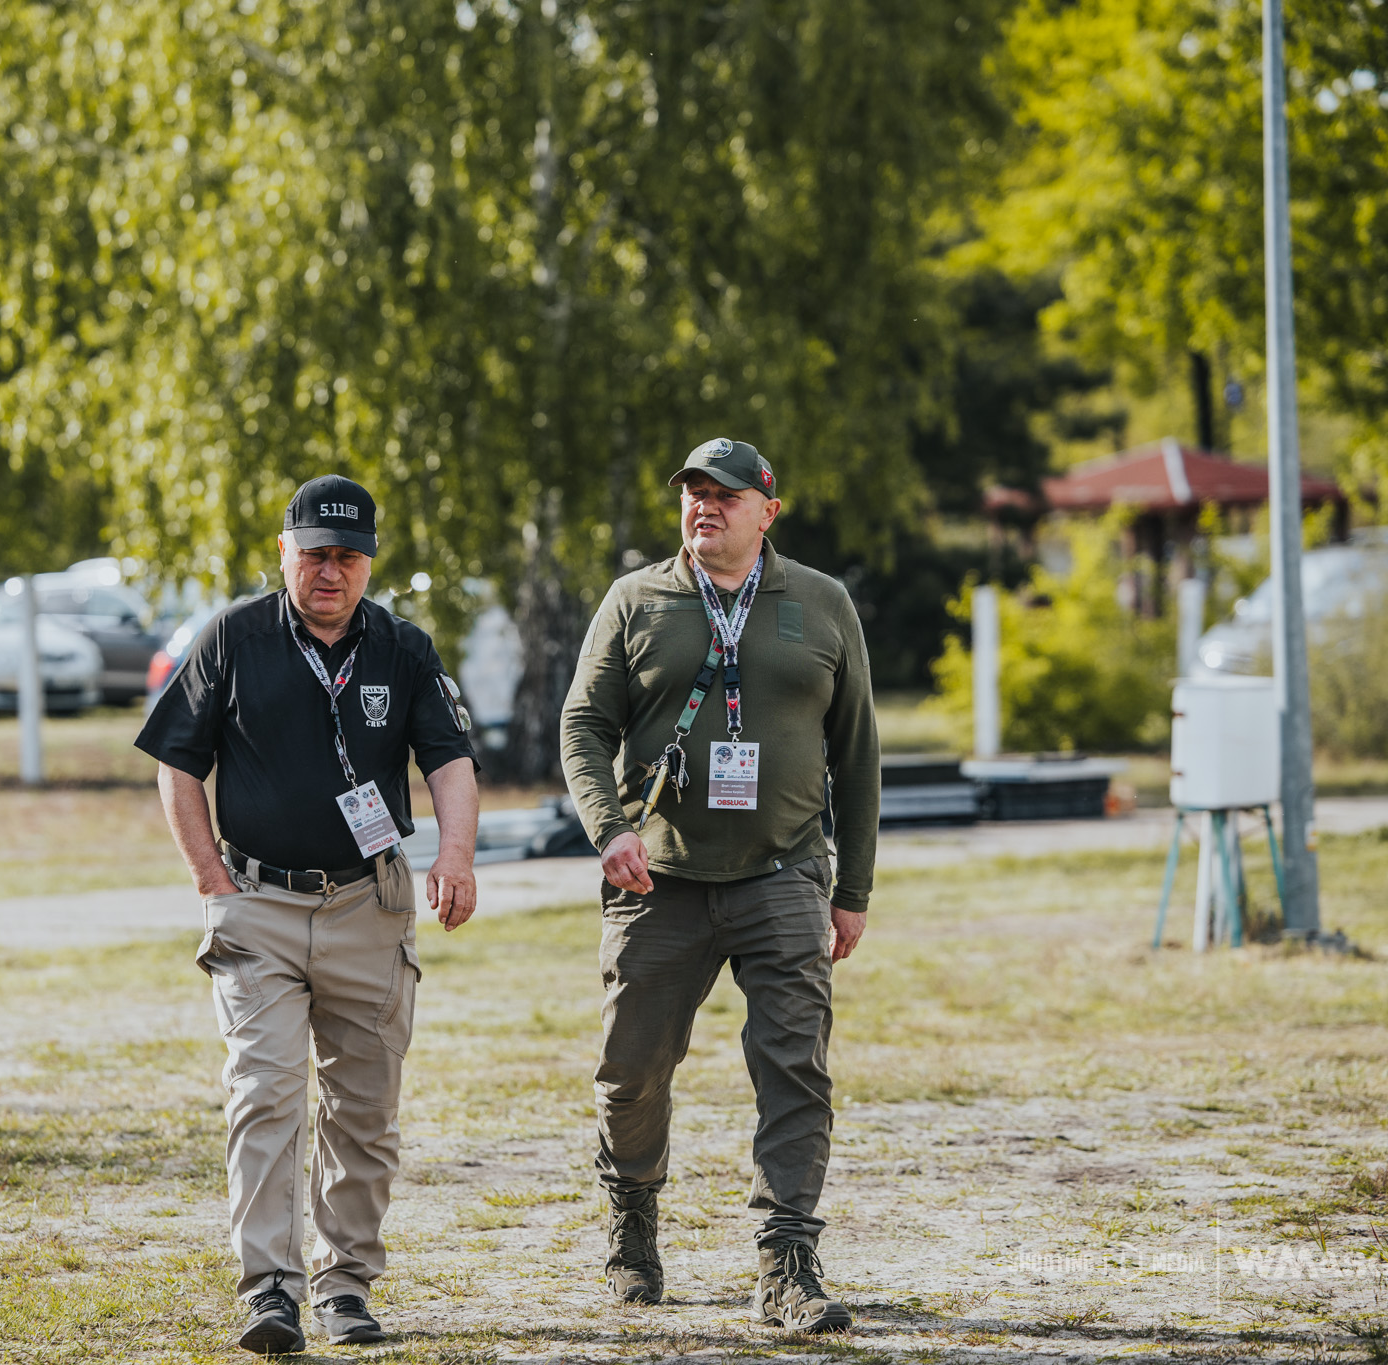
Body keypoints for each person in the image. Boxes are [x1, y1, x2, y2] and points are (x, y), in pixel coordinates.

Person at [136, 475, 480, 1355]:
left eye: (348, 555)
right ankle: (270, 1291)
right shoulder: (234, 638)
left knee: (365, 1107)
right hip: (258, 906)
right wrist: (210, 875)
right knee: (266, 1092)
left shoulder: (403, 647)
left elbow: (449, 759)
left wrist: (454, 854)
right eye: (316, 552)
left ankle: (346, 1285)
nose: (331, 571)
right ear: (284, 552)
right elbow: (177, 761)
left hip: (369, 903)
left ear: (369, 562)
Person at [559, 438, 878, 1332]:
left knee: (794, 1068)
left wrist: (851, 885)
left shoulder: (821, 603)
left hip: (784, 873)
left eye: (726, 494)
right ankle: (631, 1229)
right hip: (657, 877)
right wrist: (610, 827)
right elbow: (583, 723)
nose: (705, 505)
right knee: (632, 1072)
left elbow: (856, 754)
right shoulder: (637, 601)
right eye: (694, 492)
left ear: (767, 510)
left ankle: (787, 1260)